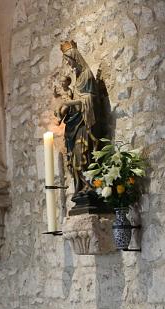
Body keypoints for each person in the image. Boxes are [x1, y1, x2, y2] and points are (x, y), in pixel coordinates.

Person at [58, 40, 100, 205]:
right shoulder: (77, 79)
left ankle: (89, 186)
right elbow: (78, 100)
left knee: (83, 155)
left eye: (69, 61)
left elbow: (90, 99)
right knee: (75, 159)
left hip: (85, 125)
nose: (69, 65)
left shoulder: (87, 75)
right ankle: (80, 187)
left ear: (75, 57)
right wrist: (67, 108)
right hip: (75, 124)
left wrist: (69, 103)